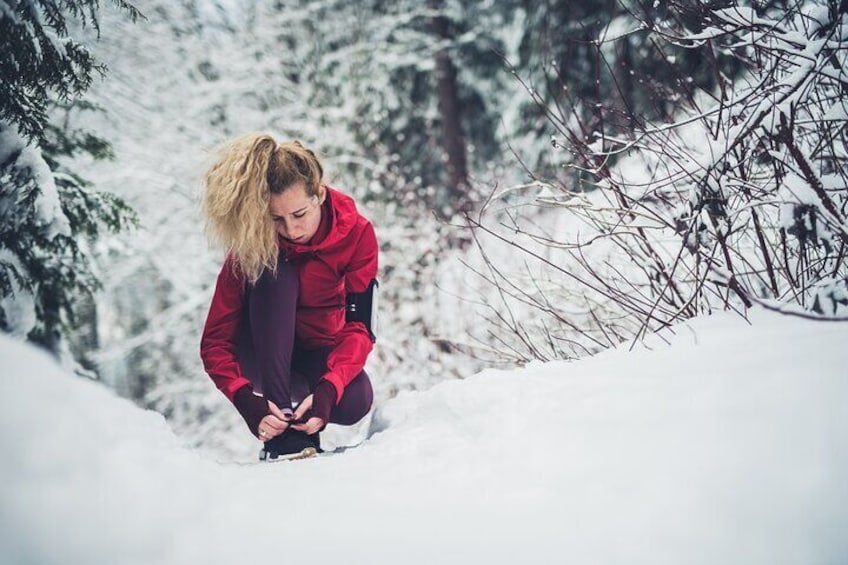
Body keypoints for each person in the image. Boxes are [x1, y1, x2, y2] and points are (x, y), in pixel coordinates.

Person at [199, 133, 378, 461]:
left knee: (356, 399)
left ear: (319, 195)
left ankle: (305, 425)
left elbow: (362, 326)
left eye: (299, 215)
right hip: (259, 353)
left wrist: (330, 386)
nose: (291, 230)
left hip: (316, 350)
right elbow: (215, 342)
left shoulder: (358, 234)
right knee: (275, 268)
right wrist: (245, 401)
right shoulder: (254, 241)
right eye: (276, 219)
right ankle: (281, 434)